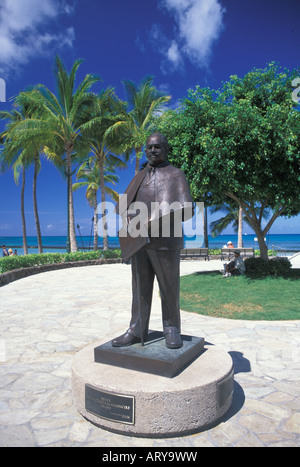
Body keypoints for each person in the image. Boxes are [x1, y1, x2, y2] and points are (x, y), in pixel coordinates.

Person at [112, 133, 193, 349]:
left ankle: (171, 328)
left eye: (157, 146)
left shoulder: (176, 174)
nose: (152, 150)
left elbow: (187, 208)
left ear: (166, 149)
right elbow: (123, 206)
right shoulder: (140, 176)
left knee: (169, 288)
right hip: (140, 243)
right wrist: (131, 221)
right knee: (139, 290)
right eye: (149, 147)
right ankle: (136, 329)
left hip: (166, 242)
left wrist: (154, 222)